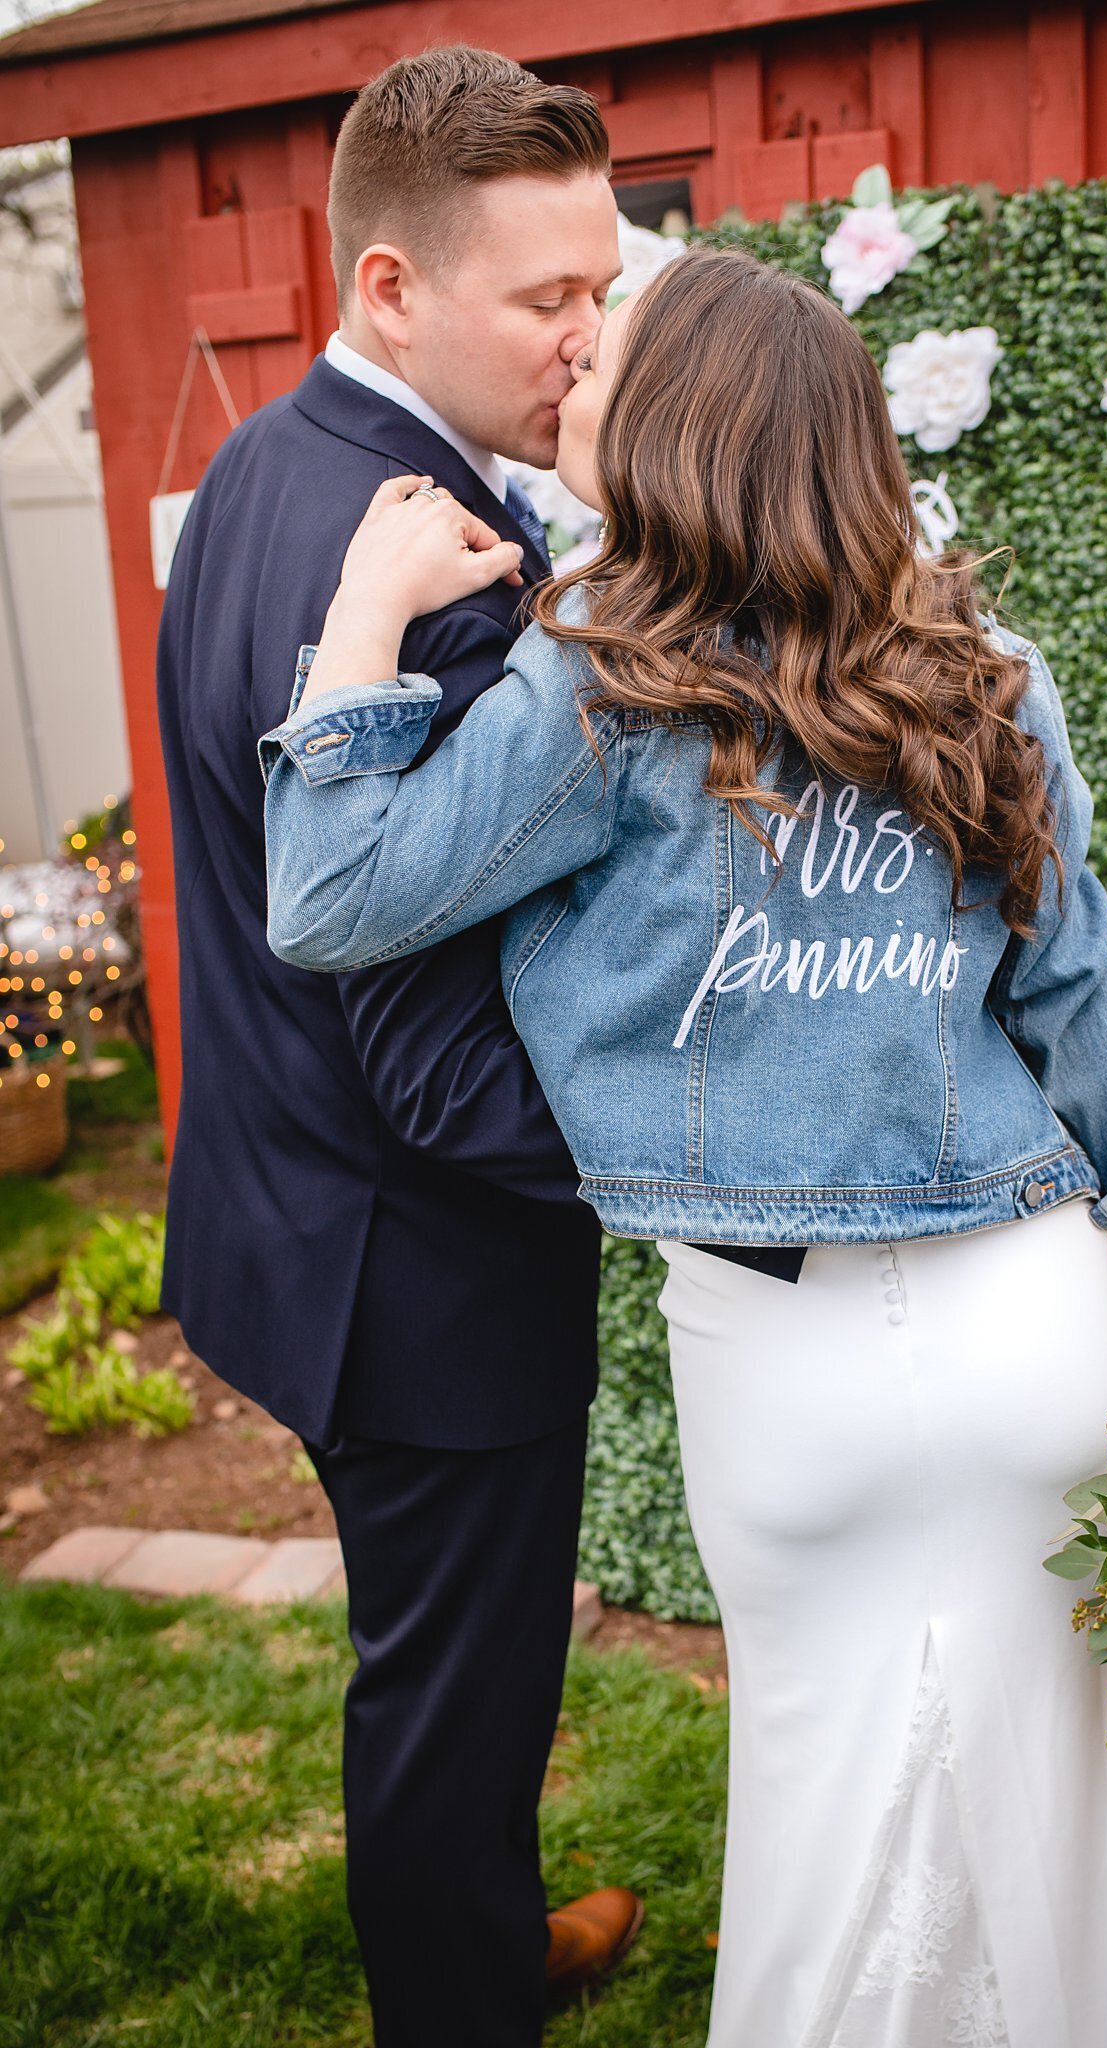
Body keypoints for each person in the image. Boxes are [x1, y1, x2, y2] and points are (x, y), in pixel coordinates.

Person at [258, 246, 1107, 2048]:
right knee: (1058, 1802)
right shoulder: (985, 674)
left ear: (678, 433)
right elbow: (1078, 989)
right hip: (1028, 1328)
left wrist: (361, 615)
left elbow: (331, 896)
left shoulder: (600, 690)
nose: (575, 371)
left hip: (782, 1358)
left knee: (826, 1811)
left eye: (610, 358)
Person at [154, 47, 642, 2048]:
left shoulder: (271, 471)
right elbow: (444, 1075)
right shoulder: (423, 582)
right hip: (421, 1277)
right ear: (384, 290)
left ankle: (481, 1931)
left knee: (434, 1676)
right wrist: (710, 1143)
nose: (587, 340)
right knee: (452, 1700)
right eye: (547, 301)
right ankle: (467, 1996)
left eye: (598, 287)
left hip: (296, 1207)